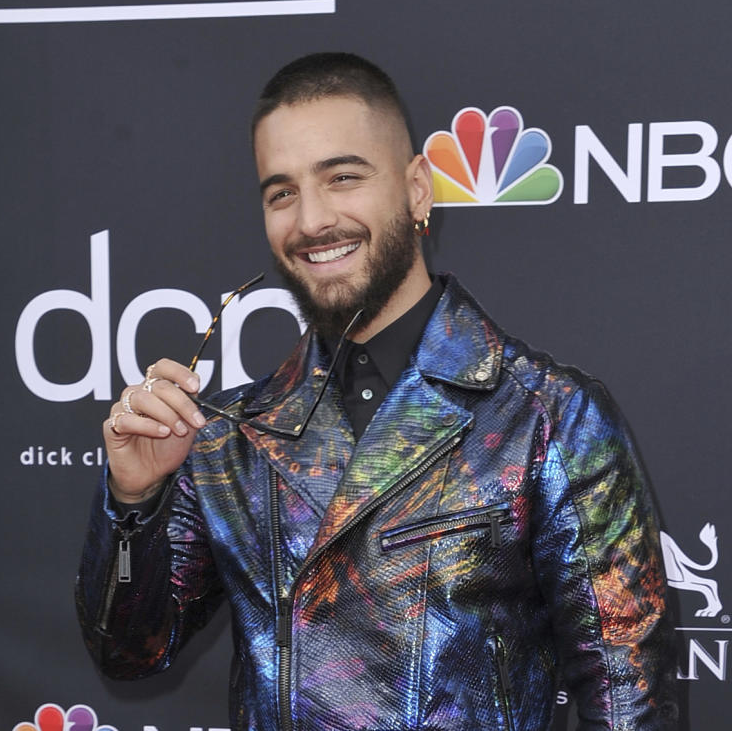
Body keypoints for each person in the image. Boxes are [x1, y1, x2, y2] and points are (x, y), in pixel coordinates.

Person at [76, 52, 678, 731]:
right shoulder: (229, 433)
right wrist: (134, 503)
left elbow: (630, 704)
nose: (311, 219)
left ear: (418, 188)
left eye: (342, 178)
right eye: (282, 192)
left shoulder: (548, 418)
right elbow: (129, 649)